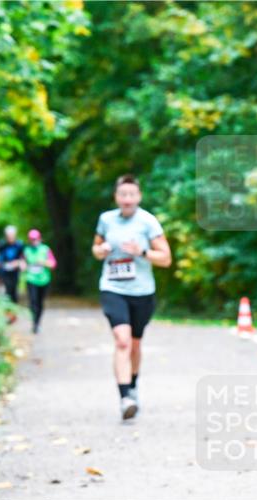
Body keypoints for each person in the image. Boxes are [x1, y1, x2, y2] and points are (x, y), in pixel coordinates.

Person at [91, 174, 171, 421]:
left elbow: (166, 258)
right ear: (116, 197)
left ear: (139, 196)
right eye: (122, 194)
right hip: (113, 287)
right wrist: (101, 250)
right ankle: (125, 397)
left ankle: (132, 385)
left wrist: (142, 251)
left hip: (142, 291)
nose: (127, 199)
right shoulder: (106, 220)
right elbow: (95, 249)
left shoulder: (148, 222)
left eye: (131, 194)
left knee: (135, 344)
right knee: (122, 340)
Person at [24, 229, 57, 334]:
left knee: (40, 302)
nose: (34, 241)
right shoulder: (26, 250)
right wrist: (23, 265)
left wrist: (43, 262)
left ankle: (38, 322)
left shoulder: (45, 249)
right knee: (33, 302)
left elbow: (53, 264)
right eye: (31, 239)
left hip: (44, 280)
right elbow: (23, 262)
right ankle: (34, 323)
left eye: (35, 239)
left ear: (40, 239)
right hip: (31, 279)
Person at [0, 225, 25, 305]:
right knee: (8, 289)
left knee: (14, 290)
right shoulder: (2, 244)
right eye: (9, 235)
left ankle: (14, 308)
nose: (10, 237)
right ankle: (8, 309)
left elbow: (23, 257)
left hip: (15, 271)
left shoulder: (20, 244)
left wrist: (19, 262)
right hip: (4, 270)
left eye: (12, 235)